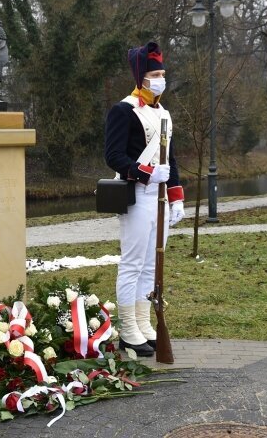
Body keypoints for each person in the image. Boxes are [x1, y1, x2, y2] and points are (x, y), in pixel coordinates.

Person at [104, 41, 186, 357]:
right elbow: (113, 155)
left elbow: (172, 159)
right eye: (154, 73)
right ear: (141, 77)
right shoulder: (123, 110)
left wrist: (177, 197)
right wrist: (147, 173)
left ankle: (142, 322)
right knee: (133, 264)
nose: (160, 78)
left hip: (162, 198)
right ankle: (127, 329)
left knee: (152, 267)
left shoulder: (164, 113)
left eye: (162, 73)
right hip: (137, 195)